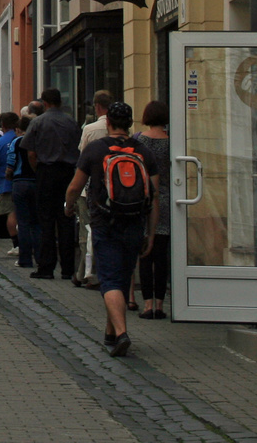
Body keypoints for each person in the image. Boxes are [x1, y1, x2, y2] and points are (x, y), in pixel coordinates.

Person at [65, 102, 159, 357]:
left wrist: (69, 206)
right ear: (130, 123)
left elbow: (75, 186)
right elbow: (154, 197)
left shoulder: (96, 149)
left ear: (108, 122)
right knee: (123, 275)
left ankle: (121, 333)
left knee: (109, 280)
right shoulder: (144, 152)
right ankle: (110, 332)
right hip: (134, 222)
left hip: (105, 221)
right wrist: (150, 233)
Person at [21, 88, 82, 280]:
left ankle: (46, 267)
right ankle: (67, 268)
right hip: (67, 174)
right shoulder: (72, 122)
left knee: (46, 221)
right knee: (66, 219)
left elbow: (30, 152)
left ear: (45, 103)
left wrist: (37, 170)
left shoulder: (38, 122)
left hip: (46, 172)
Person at [71, 91, 113, 288]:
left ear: (97, 106)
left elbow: (83, 157)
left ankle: (86, 273)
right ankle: (86, 272)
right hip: (114, 188)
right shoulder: (121, 130)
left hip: (90, 187)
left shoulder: (90, 129)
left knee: (86, 231)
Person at [135, 101, 172, 319]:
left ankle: (147, 304)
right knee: (161, 254)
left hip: (144, 199)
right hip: (167, 200)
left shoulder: (140, 140)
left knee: (145, 255)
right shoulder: (172, 142)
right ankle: (160, 304)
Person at [6, 113, 41, 269]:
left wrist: (9, 177)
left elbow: (10, 165)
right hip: (36, 182)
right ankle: (41, 257)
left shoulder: (16, 142)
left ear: (19, 129)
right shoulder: (38, 140)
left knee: (23, 222)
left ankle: (25, 259)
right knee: (37, 222)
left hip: (20, 182)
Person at [0, 111, 21, 255]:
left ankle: (16, 244)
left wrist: (0, 177)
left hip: (6, 182)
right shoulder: (22, 139)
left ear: (3, 125)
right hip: (25, 181)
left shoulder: (0, 142)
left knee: (11, 213)